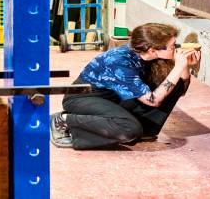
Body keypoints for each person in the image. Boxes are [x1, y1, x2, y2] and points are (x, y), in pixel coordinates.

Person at [50, 23, 200, 150]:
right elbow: (153, 100)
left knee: (173, 86)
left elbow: (180, 89)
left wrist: (185, 66)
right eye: (172, 46)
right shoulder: (119, 62)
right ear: (152, 50)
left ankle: (135, 127)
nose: (176, 48)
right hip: (83, 97)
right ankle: (64, 120)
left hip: (112, 97)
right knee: (129, 129)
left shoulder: (148, 55)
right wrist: (177, 67)